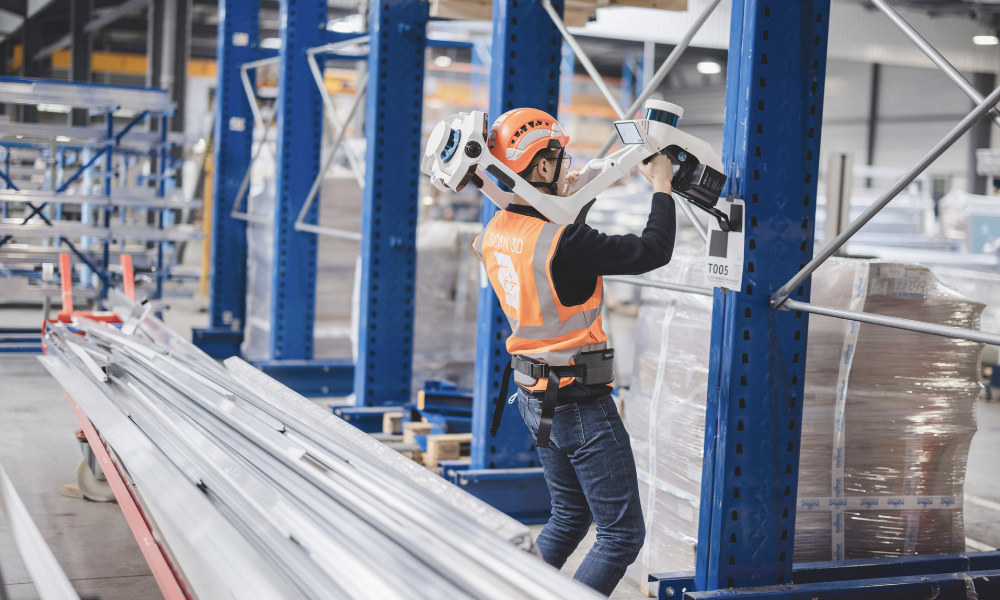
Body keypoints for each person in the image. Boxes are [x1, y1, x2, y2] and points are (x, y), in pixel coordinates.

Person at [471, 107, 676, 596]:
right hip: (581, 405)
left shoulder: (495, 232)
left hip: (533, 397)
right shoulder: (566, 241)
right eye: (560, 159)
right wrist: (662, 184)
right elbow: (653, 250)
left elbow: (550, 242)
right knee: (621, 538)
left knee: (567, 519)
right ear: (541, 167)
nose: (569, 167)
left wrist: (578, 194)